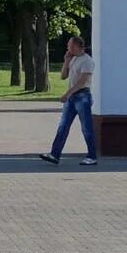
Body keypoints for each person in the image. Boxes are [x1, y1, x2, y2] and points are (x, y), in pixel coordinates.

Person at [38, 35, 98, 166]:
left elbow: (82, 82)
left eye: (70, 45)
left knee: (86, 128)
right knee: (63, 126)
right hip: (72, 97)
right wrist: (66, 61)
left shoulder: (87, 61)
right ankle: (55, 154)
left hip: (83, 97)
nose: (68, 47)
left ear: (78, 46)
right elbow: (63, 76)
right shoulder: (73, 59)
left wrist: (67, 93)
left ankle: (92, 156)